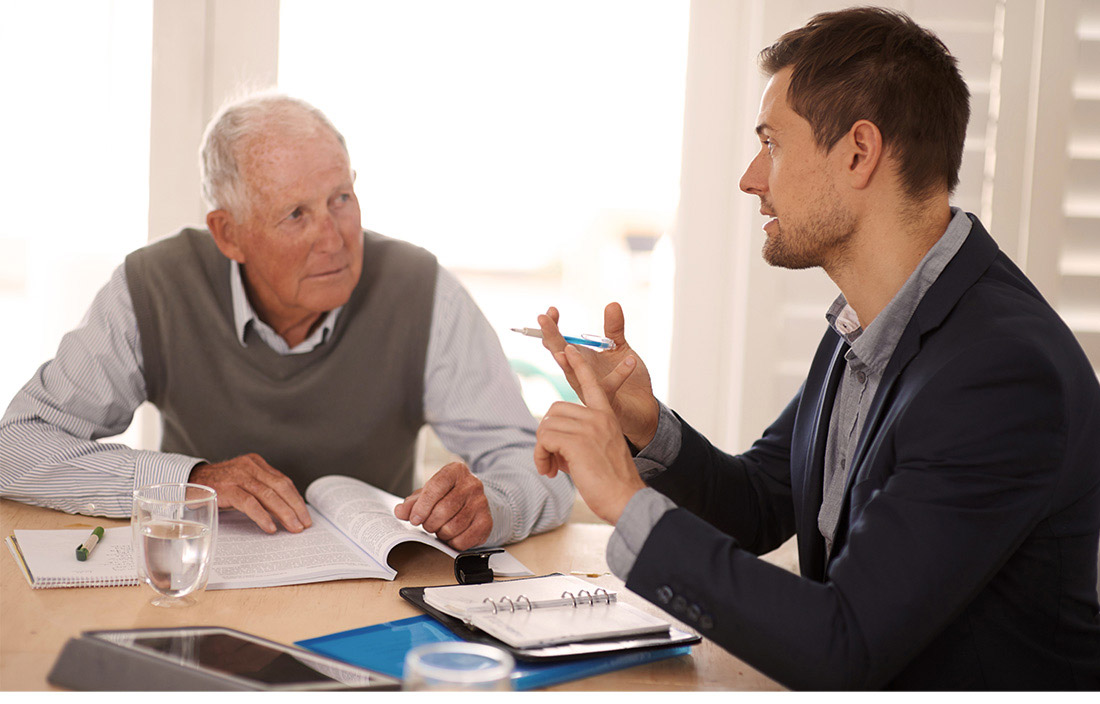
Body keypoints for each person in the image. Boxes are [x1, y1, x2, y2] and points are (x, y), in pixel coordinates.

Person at [532, 7, 1100, 690]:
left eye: (771, 143)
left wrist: (624, 499)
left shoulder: (1000, 374)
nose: (751, 178)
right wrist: (644, 426)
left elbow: (846, 645)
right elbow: (761, 500)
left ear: (859, 152)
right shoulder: (874, 323)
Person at [0, 93, 573, 551]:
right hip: (203, 584)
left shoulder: (422, 289)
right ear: (228, 233)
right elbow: (16, 446)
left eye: (341, 198)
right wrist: (191, 480)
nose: (335, 239)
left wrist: (493, 507)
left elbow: (537, 466)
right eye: (296, 214)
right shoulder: (155, 286)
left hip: (373, 593)